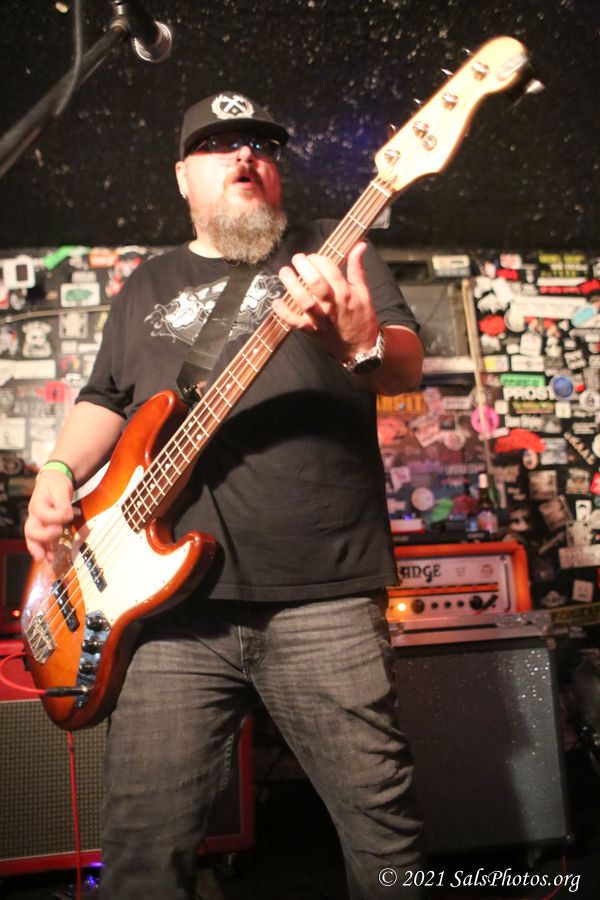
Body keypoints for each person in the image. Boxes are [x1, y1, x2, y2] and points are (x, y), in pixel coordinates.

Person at [25, 91, 425, 900]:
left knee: (386, 843)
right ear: (183, 176)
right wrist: (58, 472)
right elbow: (107, 399)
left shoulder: (330, 249)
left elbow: (402, 363)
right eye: (218, 144)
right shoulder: (146, 283)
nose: (245, 155)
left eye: (261, 145)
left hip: (320, 597)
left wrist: (358, 343)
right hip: (166, 616)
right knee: (140, 855)